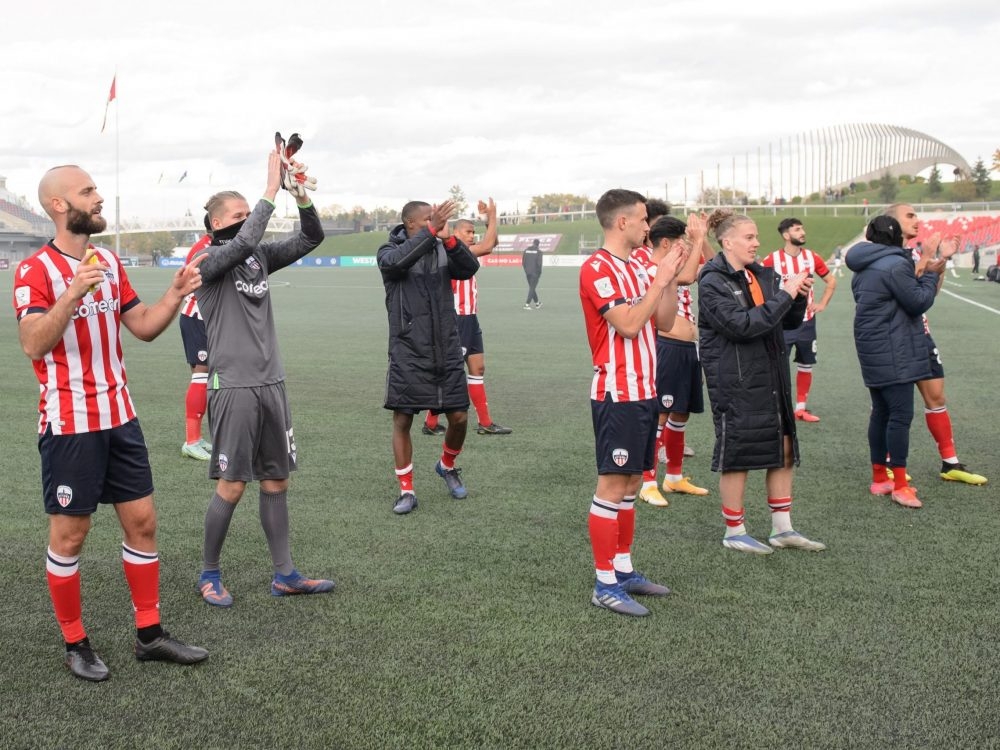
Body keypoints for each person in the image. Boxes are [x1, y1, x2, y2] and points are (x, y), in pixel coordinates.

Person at [14, 165, 208, 681]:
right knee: (71, 536)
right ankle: (75, 642)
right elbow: (34, 342)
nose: (99, 199)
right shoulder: (34, 271)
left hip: (121, 417)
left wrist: (175, 293)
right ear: (60, 205)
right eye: (88, 192)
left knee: (143, 523)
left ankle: (150, 636)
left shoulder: (107, 260)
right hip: (71, 422)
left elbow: (141, 326)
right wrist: (72, 292)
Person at [193, 151, 334, 607]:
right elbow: (240, 242)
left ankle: (285, 575)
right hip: (232, 386)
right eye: (236, 216)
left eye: (246, 213)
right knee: (232, 484)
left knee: (276, 482)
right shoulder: (208, 260)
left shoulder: (258, 258)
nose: (245, 222)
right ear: (214, 226)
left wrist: (299, 194)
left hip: (272, 383)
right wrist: (268, 190)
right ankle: (209, 573)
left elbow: (312, 236)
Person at [579, 189, 687, 617]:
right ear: (621, 222)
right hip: (617, 391)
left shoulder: (642, 262)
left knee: (629, 487)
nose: (650, 226)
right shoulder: (596, 268)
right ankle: (604, 582)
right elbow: (626, 325)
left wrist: (670, 278)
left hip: (645, 389)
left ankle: (622, 570)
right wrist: (660, 280)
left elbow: (662, 321)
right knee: (611, 485)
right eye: (643, 220)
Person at [698, 209, 825, 555]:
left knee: (783, 449)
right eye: (749, 237)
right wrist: (784, 295)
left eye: (756, 236)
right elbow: (742, 326)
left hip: (771, 374)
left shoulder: (762, 275)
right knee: (738, 453)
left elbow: (784, 322)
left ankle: (782, 528)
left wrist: (796, 297)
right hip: (736, 380)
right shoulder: (712, 281)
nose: (757, 243)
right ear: (727, 241)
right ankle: (734, 529)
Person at [378, 200, 480, 515]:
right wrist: (431, 234)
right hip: (409, 350)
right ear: (410, 224)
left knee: (460, 417)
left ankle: (447, 465)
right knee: (403, 419)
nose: (435, 224)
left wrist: (448, 239)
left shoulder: (441, 247)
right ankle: (406, 491)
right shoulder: (388, 251)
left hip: (446, 349)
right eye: (429, 220)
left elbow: (469, 268)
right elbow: (397, 263)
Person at [885, 204, 987, 486]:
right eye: (910, 216)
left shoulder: (916, 253)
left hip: (921, 334)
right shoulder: (887, 256)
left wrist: (939, 263)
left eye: (917, 215)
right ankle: (889, 462)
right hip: (896, 339)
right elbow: (905, 290)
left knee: (936, 398)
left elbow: (928, 294)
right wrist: (930, 257)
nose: (917, 220)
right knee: (893, 405)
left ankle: (950, 463)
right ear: (891, 222)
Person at [846, 216, 944, 508]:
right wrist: (928, 271)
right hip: (894, 348)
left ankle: (880, 478)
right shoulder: (895, 263)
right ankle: (901, 485)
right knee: (900, 416)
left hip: (872, 347)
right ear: (897, 236)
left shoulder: (862, 265)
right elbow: (917, 302)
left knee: (881, 412)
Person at [632, 214, 713, 507]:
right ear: (666, 243)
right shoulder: (647, 264)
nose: (687, 246)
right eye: (682, 241)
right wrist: (699, 239)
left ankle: (674, 477)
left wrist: (702, 238)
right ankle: (648, 482)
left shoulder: (677, 263)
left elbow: (711, 266)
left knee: (680, 415)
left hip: (687, 349)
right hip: (665, 346)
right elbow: (689, 277)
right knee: (660, 416)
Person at [422, 198, 512, 437]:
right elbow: (489, 245)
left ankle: (485, 422)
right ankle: (430, 422)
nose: (472, 236)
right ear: (454, 232)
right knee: (450, 373)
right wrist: (492, 217)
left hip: (471, 319)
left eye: (474, 232)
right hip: (457, 319)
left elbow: (491, 241)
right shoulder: (450, 251)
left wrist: (487, 222)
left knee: (477, 368)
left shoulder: (463, 252)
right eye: (468, 232)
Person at [762, 218, 837, 422]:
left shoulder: (812, 257)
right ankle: (776, 408)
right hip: (781, 323)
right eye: (797, 229)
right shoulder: (772, 259)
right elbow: (757, 284)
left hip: (807, 322)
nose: (802, 232)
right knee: (777, 365)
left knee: (806, 363)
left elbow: (831, 280)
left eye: (802, 228)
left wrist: (821, 304)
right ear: (786, 235)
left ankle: (800, 409)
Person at [179, 224, 213, 460]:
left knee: (210, 377)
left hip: (209, 318)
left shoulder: (215, 245)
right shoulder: (203, 249)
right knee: (200, 376)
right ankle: (191, 441)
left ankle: (199, 438)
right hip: (196, 317)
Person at [522, 239, 543, 309]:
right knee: (532, 288)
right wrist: (539, 273)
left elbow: (523, 262)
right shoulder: (539, 252)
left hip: (528, 272)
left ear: (533, 243)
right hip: (535, 273)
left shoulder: (526, 250)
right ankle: (526, 304)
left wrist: (526, 270)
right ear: (538, 244)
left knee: (532, 288)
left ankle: (537, 303)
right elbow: (539, 264)